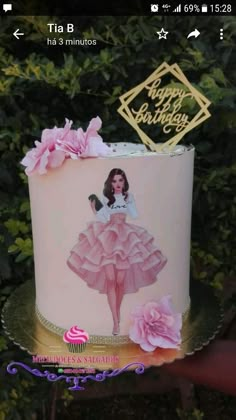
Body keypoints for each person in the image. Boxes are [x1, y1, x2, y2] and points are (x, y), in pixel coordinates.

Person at [67, 168, 167, 335]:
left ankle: (117, 313)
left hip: (125, 236)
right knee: (110, 279)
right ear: (110, 182)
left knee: (120, 280)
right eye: (114, 181)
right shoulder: (106, 198)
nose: (118, 184)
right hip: (108, 237)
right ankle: (115, 321)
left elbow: (134, 214)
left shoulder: (128, 197)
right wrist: (95, 209)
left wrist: (128, 202)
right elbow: (104, 217)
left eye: (120, 180)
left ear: (124, 181)